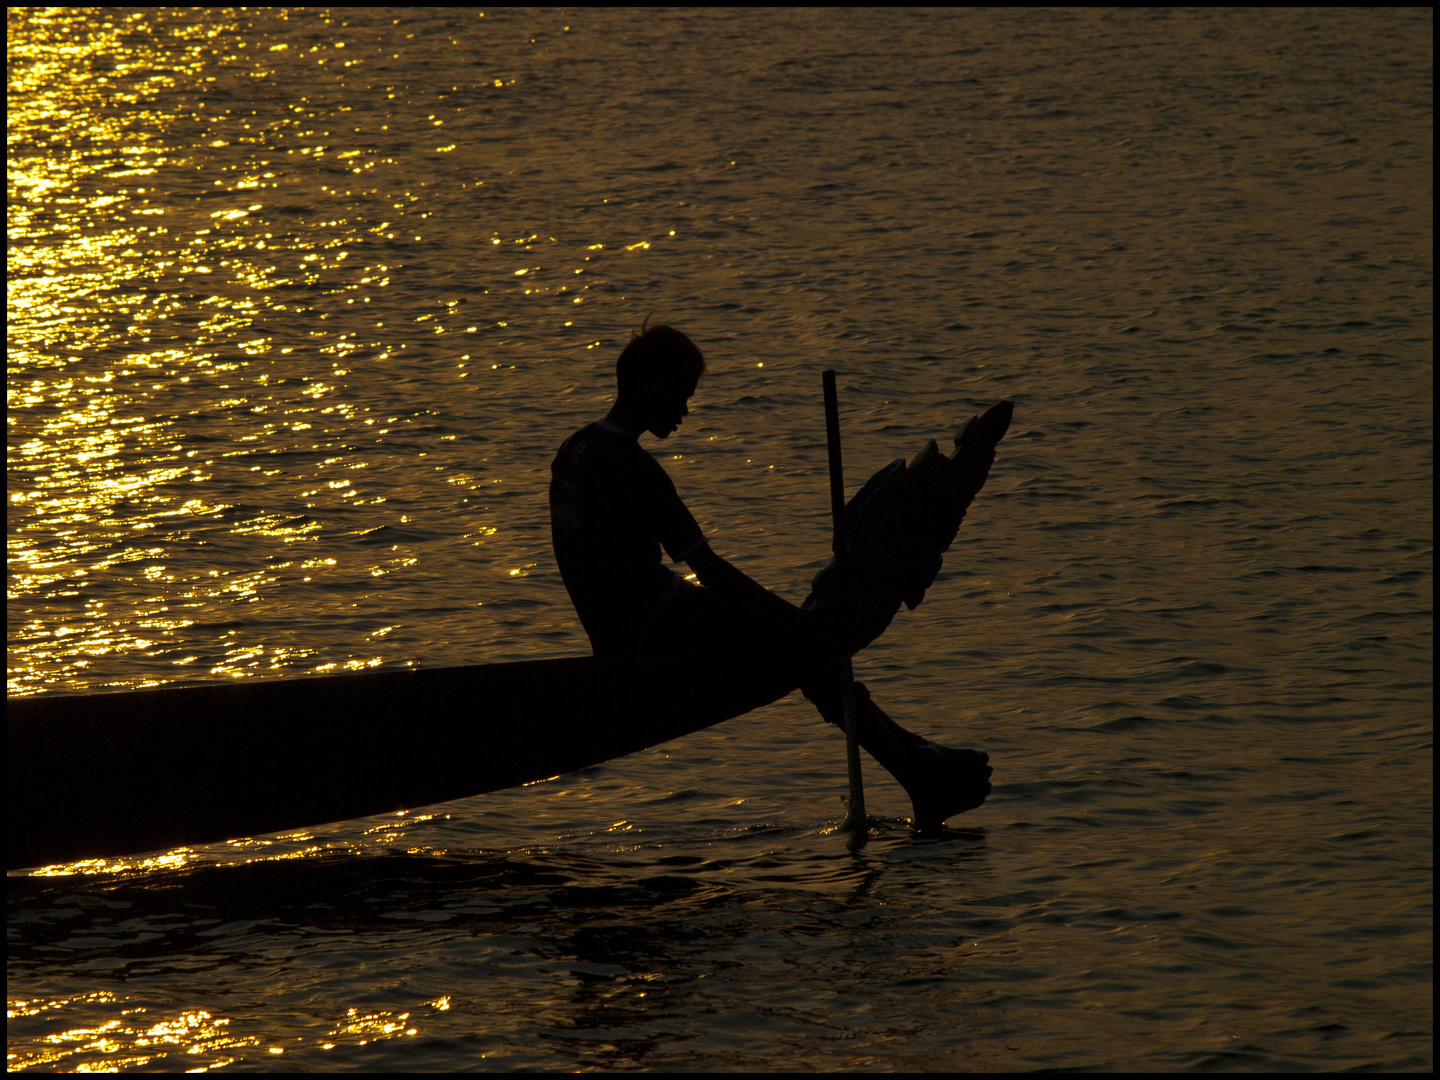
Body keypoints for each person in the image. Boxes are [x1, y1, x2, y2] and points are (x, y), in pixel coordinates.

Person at [549, 319, 995, 830]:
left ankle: (914, 758)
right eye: (681, 395)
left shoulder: (574, 450)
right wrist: (790, 623)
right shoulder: (635, 469)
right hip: (655, 626)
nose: (685, 411)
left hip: (618, 630)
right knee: (808, 648)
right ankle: (916, 767)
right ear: (652, 386)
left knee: (806, 649)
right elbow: (710, 570)